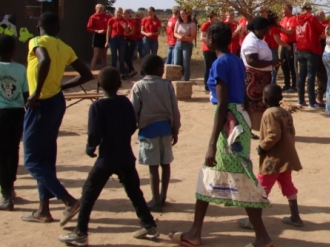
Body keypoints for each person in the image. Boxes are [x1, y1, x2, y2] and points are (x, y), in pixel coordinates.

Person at [167, 22, 272, 247]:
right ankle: (196, 231)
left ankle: (261, 237)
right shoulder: (234, 60)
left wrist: (212, 143)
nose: (204, 38)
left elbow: (223, 102)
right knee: (222, 176)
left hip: (228, 122)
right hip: (237, 119)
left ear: (212, 40)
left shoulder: (220, 63)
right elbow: (240, 96)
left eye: (205, 35)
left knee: (239, 178)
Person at [57, 67, 158, 246]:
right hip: (125, 155)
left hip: (107, 158)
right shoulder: (125, 103)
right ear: (120, 84)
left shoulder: (98, 106)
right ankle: (148, 224)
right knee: (134, 191)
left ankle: (81, 231)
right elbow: (132, 125)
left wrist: (90, 148)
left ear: (99, 85)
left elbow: (94, 133)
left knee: (89, 192)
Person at [23, 12, 93, 224]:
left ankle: (68, 201)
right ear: (58, 29)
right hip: (56, 102)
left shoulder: (36, 41)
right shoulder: (65, 47)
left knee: (32, 161)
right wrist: (64, 86)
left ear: (38, 26)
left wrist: (35, 93)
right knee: (45, 157)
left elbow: (44, 60)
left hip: (41, 103)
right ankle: (43, 210)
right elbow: (86, 74)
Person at [239, 84, 304, 229]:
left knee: (261, 187)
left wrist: (262, 147)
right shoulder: (285, 113)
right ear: (281, 98)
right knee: (288, 185)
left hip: (273, 158)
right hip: (287, 157)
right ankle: (295, 217)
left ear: (264, 99)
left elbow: (273, 134)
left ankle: (253, 221)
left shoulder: (269, 113)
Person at [131, 55, 181, 213]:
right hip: (166, 129)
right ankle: (163, 196)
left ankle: (155, 200)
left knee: (153, 167)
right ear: (160, 70)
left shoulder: (138, 86)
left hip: (148, 130)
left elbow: (134, 110)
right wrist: (175, 129)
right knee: (165, 164)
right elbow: (175, 110)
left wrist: (132, 127)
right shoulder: (167, 85)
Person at [0, 35, 27, 211]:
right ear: (13, 51)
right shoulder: (21, 69)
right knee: (13, 150)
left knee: (2, 153)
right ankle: (10, 187)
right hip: (18, 113)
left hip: (1, 113)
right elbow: (26, 95)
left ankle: (6, 194)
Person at [241, 16, 282, 132]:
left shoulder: (259, 39)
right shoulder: (251, 41)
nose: (267, 31)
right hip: (254, 78)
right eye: (265, 29)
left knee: (260, 104)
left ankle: (257, 128)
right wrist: (271, 63)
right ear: (257, 29)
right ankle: (248, 128)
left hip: (262, 78)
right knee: (252, 105)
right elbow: (251, 60)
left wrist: (272, 64)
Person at [294, 2, 324, 108]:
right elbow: (321, 31)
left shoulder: (296, 19)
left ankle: (300, 100)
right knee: (311, 76)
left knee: (302, 75)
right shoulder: (312, 18)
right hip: (311, 49)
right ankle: (312, 102)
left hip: (300, 49)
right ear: (310, 9)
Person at [173, 8, 197, 82]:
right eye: (180, 14)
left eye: (183, 14)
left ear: (188, 14)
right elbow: (175, 33)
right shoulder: (178, 22)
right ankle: (176, 81)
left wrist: (184, 38)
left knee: (185, 64)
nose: (182, 15)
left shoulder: (192, 24)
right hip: (178, 44)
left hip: (187, 45)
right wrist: (179, 37)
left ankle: (185, 81)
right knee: (176, 63)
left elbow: (193, 36)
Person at [86, 4, 110, 71]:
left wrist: (105, 31)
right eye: (98, 9)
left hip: (105, 36)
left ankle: (104, 71)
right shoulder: (93, 17)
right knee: (96, 54)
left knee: (104, 55)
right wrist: (97, 31)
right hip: (97, 36)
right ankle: (91, 71)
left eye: (101, 9)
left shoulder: (107, 16)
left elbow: (110, 25)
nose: (100, 10)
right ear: (96, 9)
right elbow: (88, 27)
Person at [106, 7, 129, 77]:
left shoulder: (124, 20)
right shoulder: (111, 20)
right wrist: (107, 41)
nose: (119, 13)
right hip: (113, 39)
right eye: (117, 12)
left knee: (121, 57)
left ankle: (122, 72)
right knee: (114, 56)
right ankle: (113, 73)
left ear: (122, 13)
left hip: (121, 39)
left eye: (120, 12)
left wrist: (125, 27)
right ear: (114, 12)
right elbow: (108, 31)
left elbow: (127, 31)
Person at [279, 5, 297, 93]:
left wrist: (280, 28)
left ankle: (295, 85)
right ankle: (287, 84)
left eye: (283, 8)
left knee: (292, 65)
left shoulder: (293, 18)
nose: (282, 10)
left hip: (291, 44)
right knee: (284, 65)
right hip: (283, 45)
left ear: (289, 10)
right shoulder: (283, 19)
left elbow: (291, 31)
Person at [200, 11, 218, 92]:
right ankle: (206, 85)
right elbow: (202, 37)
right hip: (207, 48)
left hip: (214, 48)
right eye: (212, 17)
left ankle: (213, 84)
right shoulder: (206, 25)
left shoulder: (215, 25)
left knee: (214, 66)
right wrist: (210, 40)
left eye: (214, 16)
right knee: (208, 67)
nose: (214, 18)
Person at [123, 9, 140, 79]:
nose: (124, 15)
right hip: (126, 40)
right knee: (125, 56)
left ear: (129, 14)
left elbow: (133, 32)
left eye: (125, 14)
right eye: (123, 14)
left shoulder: (132, 21)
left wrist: (125, 35)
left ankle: (132, 70)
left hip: (132, 40)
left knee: (128, 57)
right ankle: (129, 70)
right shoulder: (125, 21)